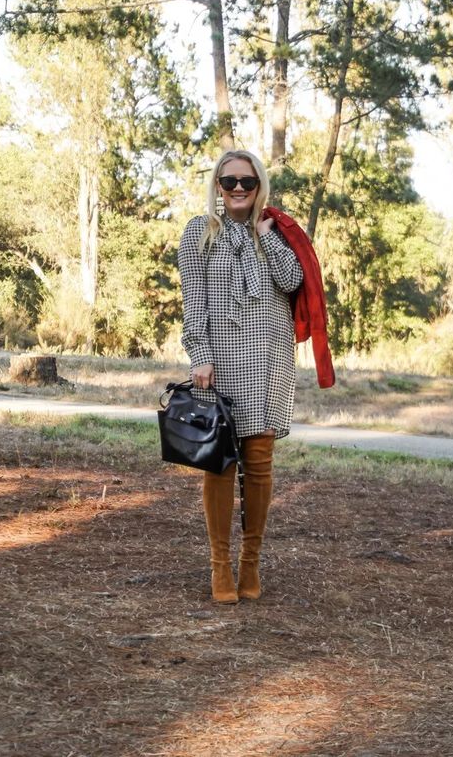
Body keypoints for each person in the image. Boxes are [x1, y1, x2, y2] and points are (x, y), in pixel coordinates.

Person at [177, 149, 303, 604]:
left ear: (258, 187)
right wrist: (200, 355)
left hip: (269, 361)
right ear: (217, 185)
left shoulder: (274, 231)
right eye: (228, 181)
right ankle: (220, 566)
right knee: (220, 464)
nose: (237, 189)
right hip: (221, 366)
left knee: (260, 465)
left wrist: (266, 237)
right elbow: (194, 302)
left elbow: (292, 281)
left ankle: (251, 562)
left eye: (246, 182)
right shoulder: (199, 233)